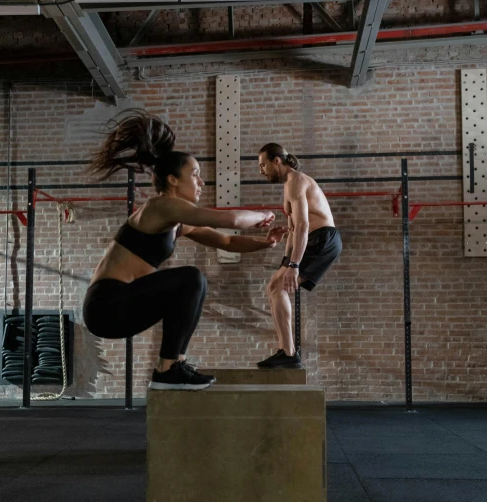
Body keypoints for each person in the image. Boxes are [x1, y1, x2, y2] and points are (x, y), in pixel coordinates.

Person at [83, 109, 287, 391]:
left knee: (194, 284)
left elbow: (226, 241)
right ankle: (167, 369)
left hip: (124, 304)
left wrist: (265, 242)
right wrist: (263, 214)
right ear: (172, 180)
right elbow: (228, 219)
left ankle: (175, 363)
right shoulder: (161, 206)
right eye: (195, 175)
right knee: (191, 279)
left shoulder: (175, 221)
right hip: (107, 305)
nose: (201, 183)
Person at [256, 143, 342, 369]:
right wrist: (286, 262)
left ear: (277, 161)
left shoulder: (297, 182)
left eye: (263, 165)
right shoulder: (288, 186)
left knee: (278, 287)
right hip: (313, 238)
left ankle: (289, 353)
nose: (261, 170)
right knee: (274, 285)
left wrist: (293, 265)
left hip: (322, 238)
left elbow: (304, 225)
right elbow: (293, 230)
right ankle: (286, 352)